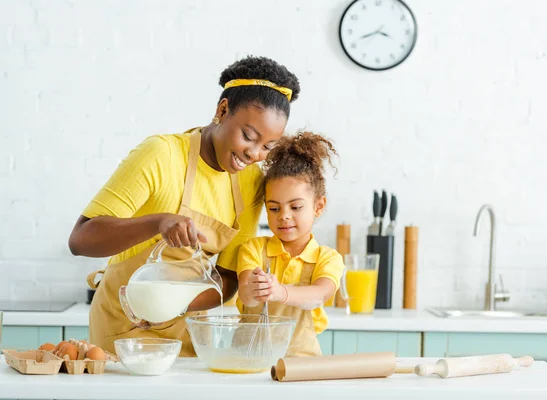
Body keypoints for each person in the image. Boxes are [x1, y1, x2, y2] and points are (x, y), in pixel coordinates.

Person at [68, 56, 301, 356]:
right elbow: (81, 239)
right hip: (121, 324)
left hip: (187, 330)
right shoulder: (161, 155)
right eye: (248, 136)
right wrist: (158, 222)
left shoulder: (250, 184)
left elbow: (228, 276)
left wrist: (170, 306)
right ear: (222, 110)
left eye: (267, 147)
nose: (254, 154)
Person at [236, 132, 344, 357]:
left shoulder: (327, 258)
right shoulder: (254, 249)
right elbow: (245, 295)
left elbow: (320, 295)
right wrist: (254, 290)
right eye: (274, 208)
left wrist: (280, 292)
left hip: (301, 364)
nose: (284, 216)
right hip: (247, 360)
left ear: (318, 206)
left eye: (295, 207)